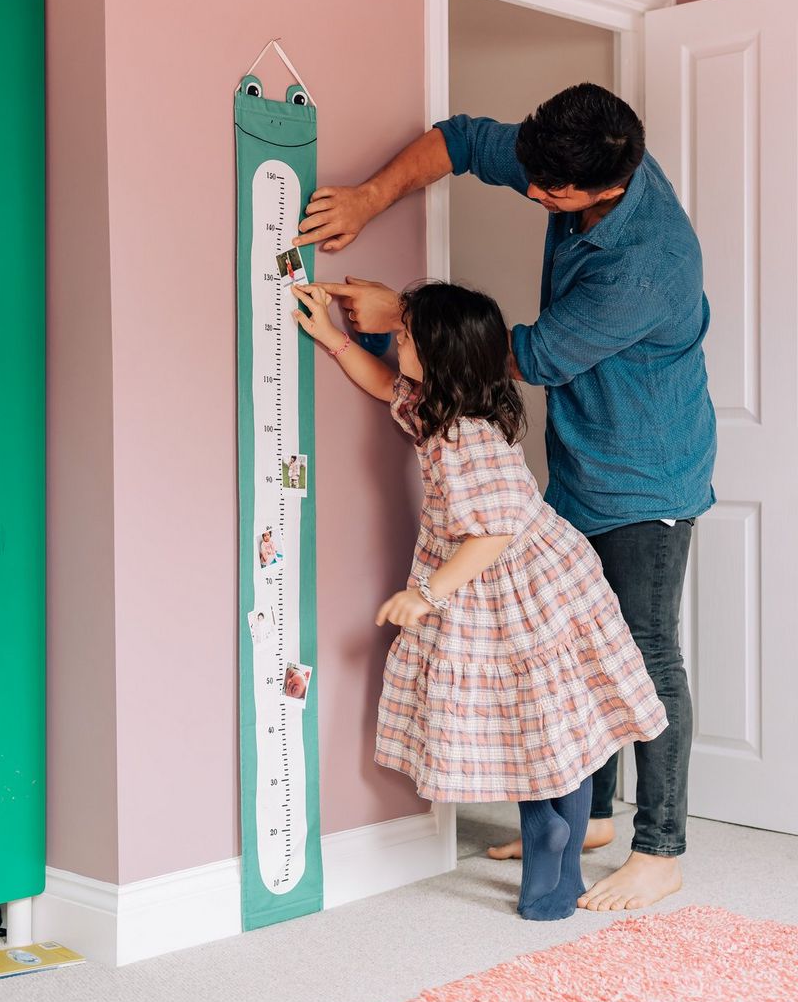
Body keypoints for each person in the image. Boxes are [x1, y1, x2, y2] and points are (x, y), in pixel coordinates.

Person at [292, 84, 717, 912]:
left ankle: (661, 847)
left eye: (549, 194)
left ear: (605, 188)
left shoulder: (647, 268)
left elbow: (522, 357)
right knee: (568, 654)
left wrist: (398, 314)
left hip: (646, 472)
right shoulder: (570, 154)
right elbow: (458, 141)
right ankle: (590, 811)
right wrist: (371, 199)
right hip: (575, 470)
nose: (532, 196)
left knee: (640, 651)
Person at [291, 278, 667, 921]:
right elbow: (388, 385)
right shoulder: (447, 403)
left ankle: (558, 856)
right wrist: (334, 340)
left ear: (440, 354)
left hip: (516, 582)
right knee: (540, 716)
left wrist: (425, 594)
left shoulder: (469, 438)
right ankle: (554, 839)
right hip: (507, 577)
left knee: (542, 715)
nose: (395, 339)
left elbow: (493, 533)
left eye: (404, 335)